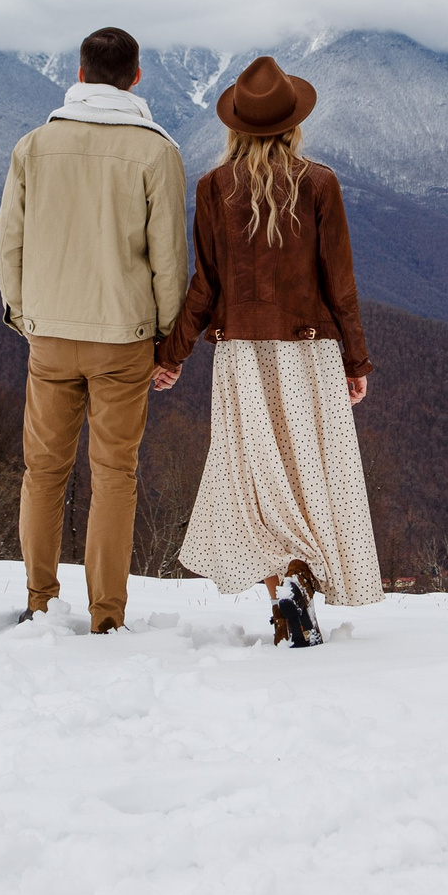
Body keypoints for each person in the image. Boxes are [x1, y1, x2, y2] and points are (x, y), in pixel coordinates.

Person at [156, 55, 383, 647]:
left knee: (252, 482)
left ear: (236, 126)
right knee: (310, 477)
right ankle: (301, 581)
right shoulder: (320, 183)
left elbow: (205, 286)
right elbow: (341, 284)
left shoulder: (213, 187)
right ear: (292, 124)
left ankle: (282, 590)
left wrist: (172, 354)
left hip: (241, 358)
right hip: (310, 355)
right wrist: (356, 361)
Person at [0, 26, 189, 633]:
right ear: (135, 79)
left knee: (44, 471)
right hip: (124, 338)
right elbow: (169, 261)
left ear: (79, 77)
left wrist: (26, 316)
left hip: (49, 332)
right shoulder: (157, 152)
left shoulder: (34, 146)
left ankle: (40, 602)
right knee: (113, 476)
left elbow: (7, 242)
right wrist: (167, 342)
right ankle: (107, 615)